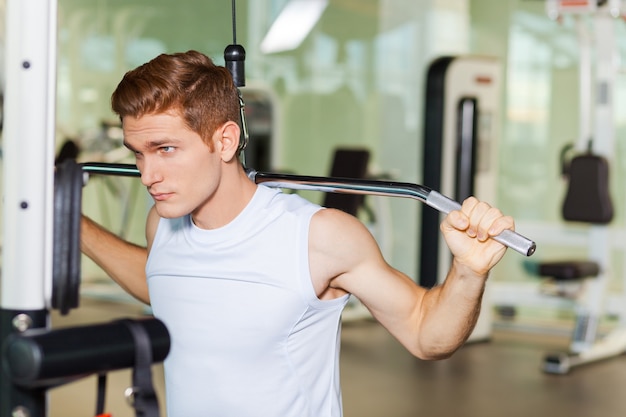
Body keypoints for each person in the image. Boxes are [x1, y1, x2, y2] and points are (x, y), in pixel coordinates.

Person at [81, 50, 515, 417]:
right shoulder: (162, 226)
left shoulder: (318, 238)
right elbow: (162, 280)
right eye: (138, 154)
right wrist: (69, 223)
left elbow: (426, 334)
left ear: (226, 141)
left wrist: (468, 271)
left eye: (166, 149)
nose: (148, 174)